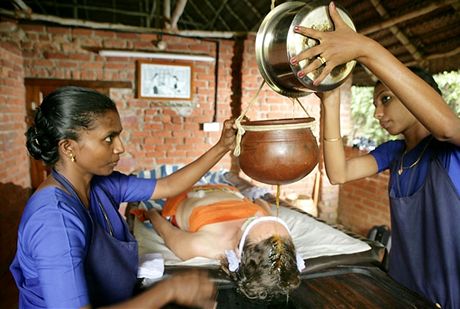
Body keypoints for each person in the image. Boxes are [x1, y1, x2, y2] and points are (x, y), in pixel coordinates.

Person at [290, 2, 460, 308]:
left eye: (386, 99)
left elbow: (447, 127)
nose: (378, 112)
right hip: (401, 293)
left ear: (415, 95)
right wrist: (330, 101)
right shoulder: (396, 153)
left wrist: (365, 49)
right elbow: (338, 173)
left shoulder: (450, 149)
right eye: (375, 104)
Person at [10, 86, 237, 308]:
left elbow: (167, 185)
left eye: (119, 135)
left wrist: (222, 147)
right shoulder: (54, 221)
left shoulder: (102, 184)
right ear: (68, 147)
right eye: (109, 138)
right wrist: (169, 290)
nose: (121, 147)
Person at [133, 183, 304, 302]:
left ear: (239, 251)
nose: (261, 217)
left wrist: (151, 214)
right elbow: (260, 203)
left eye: (255, 221)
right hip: (229, 191)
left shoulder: (204, 244)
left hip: (187, 193)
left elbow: (164, 229)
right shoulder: (272, 236)